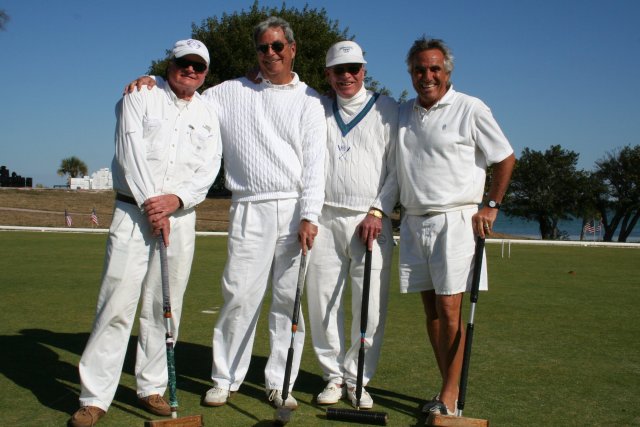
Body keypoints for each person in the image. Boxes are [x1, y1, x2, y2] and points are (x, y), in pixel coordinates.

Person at [124, 16, 326, 410]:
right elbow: (185, 92)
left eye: (277, 46)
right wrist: (153, 81)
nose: (270, 53)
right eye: (263, 48)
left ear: (292, 49)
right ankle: (225, 378)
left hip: (294, 207)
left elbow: (317, 165)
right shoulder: (230, 92)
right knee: (239, 295)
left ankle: (280, 383)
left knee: (287, 300)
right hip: (249, 204)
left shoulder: (311, 100)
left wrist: (310, 215)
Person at [69, 39, 222, 427]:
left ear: (205, 73)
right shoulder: (140, 94)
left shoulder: (208, 112)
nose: (190, 70)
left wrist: (176, 200)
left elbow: (209, 167)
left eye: (198, 66)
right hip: (132, 211)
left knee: (164, 305)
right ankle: (95, 396)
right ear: (170, 63)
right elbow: (129, 152)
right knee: (116, 302)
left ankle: (152, 386)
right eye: (184, 63)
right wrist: (153, 204)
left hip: (181, 216)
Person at [396, 37, 515, 419]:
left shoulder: (471, 108)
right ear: (411, 73)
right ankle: (446, 385)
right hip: (414, 221)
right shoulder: (404, 112)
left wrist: (491, 206)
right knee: (431, 312)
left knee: (449, 309)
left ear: (447, 71)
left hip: (456, 220)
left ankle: (449, 395)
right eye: (419, 69)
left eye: (434, 69)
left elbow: (505, 158)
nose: (427, 76)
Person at [305, 41, 398, 410]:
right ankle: (333, 376)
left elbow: (396, 169)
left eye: (353, 68)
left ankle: (359, 378)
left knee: (369, 308)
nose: (347, 76)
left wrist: (378, 210)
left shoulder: (388, 108)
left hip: (369, 220)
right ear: (328, 74)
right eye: (338, 70)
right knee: (322, 303)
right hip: (325, 217)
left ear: (364, 70)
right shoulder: (316, 107)